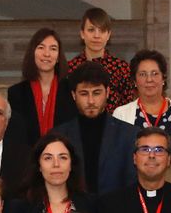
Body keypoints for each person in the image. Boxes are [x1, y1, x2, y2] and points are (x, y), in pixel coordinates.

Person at [54, 62, 137, 196]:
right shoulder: (58, 136)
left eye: (97, 93)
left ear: (108, 92)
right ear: (74, 95)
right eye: (84, 93)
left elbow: (132, 183)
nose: (91, 101)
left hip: (115, 212)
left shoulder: (128, 135)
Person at [8, 28, 77, 148]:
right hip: (28, 162)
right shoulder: (16, 93)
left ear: (58, 56)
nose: (47, 53)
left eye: (53, 48)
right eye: (41, 47)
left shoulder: (71, 90)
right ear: (32, 53)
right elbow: (16, 138)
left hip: (64, 160)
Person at [65, 7, 135, 111]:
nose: (96, 35)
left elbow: (127, 108)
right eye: (91, 30)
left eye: (102, 30)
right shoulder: (70, 68)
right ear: (82, 34)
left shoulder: (122, 68)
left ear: (108, 35)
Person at [112, 50, 171, 130]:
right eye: (143, 74)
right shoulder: (121, 114)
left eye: (155, 73)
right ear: (135, 81)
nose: (149, 79)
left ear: (163, 78)